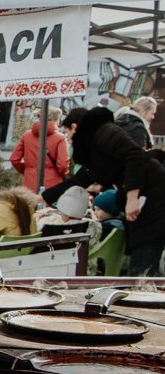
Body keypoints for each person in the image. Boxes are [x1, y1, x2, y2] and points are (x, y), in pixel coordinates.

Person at [43, 107, 165, 276]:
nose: (67, 138)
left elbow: (134, 155)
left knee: (144, 256)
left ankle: (144, 292)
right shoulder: (94, 152)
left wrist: (132, 197)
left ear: (75, 127)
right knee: (143, 254)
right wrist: (42, 198)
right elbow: (77, 181)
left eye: (67, 132)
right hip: (145, 199)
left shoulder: (104, 131)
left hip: (153, 194)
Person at [9, 106, 70, 191]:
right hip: (53, 183)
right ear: (55, 120)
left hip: (29, 182)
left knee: (30, 203)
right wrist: (63, 174)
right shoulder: (60, 138)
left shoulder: (26, 135)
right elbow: (63, 165)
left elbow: (14, 159)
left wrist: (28, 170)